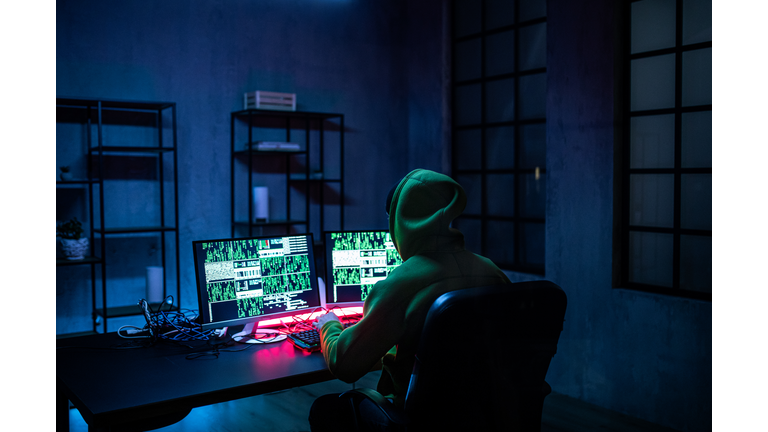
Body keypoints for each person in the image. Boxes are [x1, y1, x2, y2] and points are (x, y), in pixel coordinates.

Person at [308, 168, 511, 432]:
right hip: (489, 415)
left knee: (326, 410)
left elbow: (345, 365)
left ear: (400, 222)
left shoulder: (401, 285)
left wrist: (329, 325)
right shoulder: (492, 272)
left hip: (421, 419)